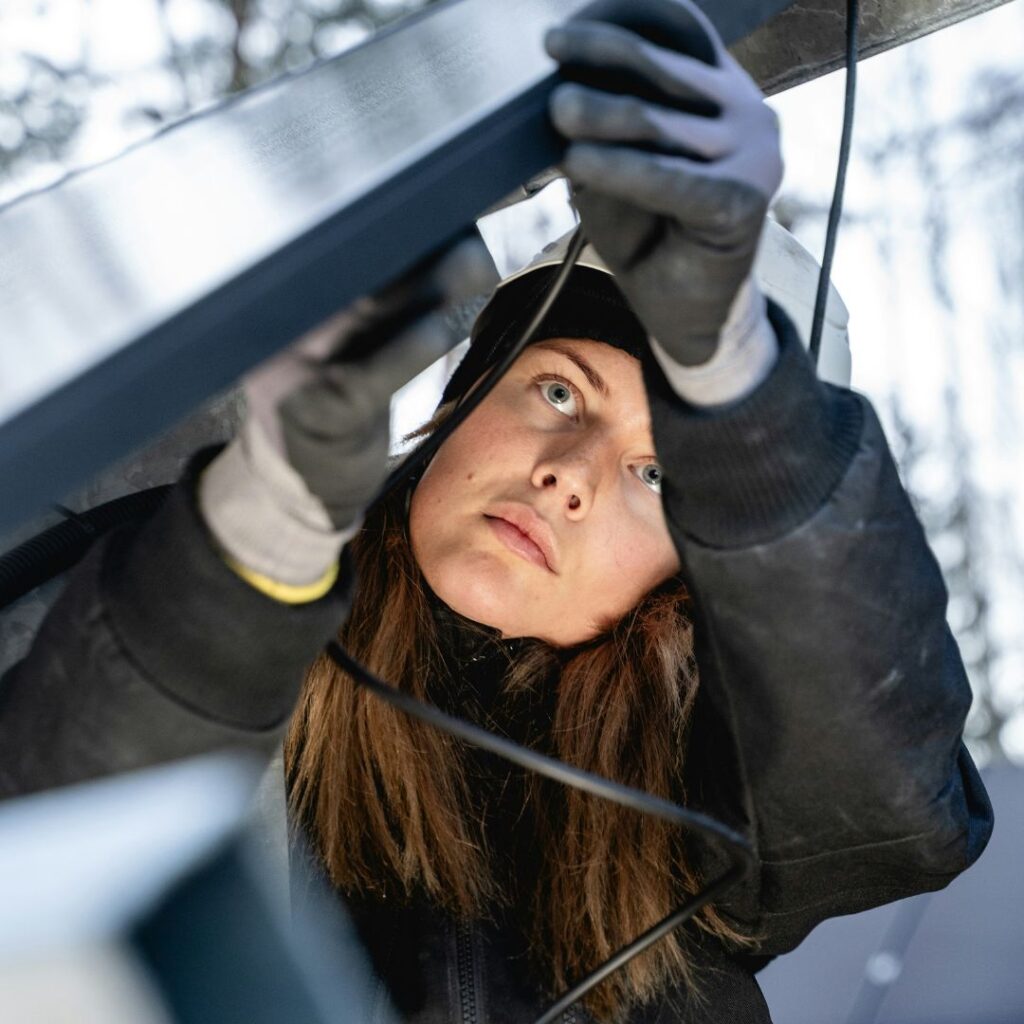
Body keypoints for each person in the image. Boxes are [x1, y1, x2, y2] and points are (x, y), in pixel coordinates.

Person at [0, 2, 993, 1021]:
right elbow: (53, 832)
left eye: (659, 477)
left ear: (695, 583)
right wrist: (262, 526)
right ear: (462, 399)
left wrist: (744, 390)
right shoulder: (179, 575)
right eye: (558, 392)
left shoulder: (700, 818)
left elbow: (890, 795)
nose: (569, 474)